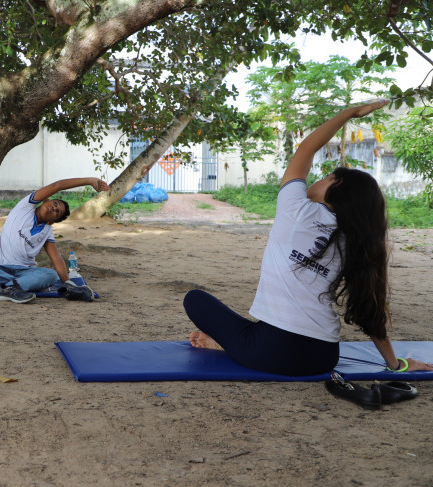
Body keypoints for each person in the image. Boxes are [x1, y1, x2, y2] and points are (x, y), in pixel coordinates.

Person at [183, 100, 433, 376]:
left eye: (327, 177)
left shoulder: (294, 208)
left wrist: (348, 113)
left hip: (269, 352)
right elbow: (369, 310)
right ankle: (236, 342)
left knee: (195, 299)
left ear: (334, 188)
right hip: (323, 357)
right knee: (251, 329)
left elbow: (307, 148)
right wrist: (396, 365)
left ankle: (228, 345)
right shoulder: (355, 241)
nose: (318, 179)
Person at [0, 177, 109, 303]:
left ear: (52, 222)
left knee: (50, 275)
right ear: (46, 201)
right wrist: (90, 181)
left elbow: (57, 259)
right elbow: (57, 185)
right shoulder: (25, 207)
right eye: (55, 203)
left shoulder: (47, 231)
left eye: (57, 212)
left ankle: (5, 288)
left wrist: (67, 283)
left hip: (25, 271)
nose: (54, 208)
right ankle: (15, 286)